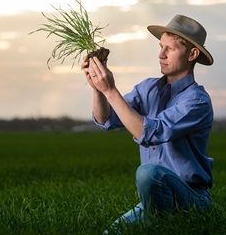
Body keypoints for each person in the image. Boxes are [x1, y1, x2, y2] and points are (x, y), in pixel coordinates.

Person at [82, 14, 214, 231]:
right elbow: (107, 119)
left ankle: (163, 227)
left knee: (148, 172)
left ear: (192, 54)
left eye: (169, 49)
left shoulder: (196, 101)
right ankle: (158, 224)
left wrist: (110, 90)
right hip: (153, 202)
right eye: (160, 47)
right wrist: (97, 87)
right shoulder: (147, 88)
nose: (160, 54)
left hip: (191, 200)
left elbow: (148, 133)